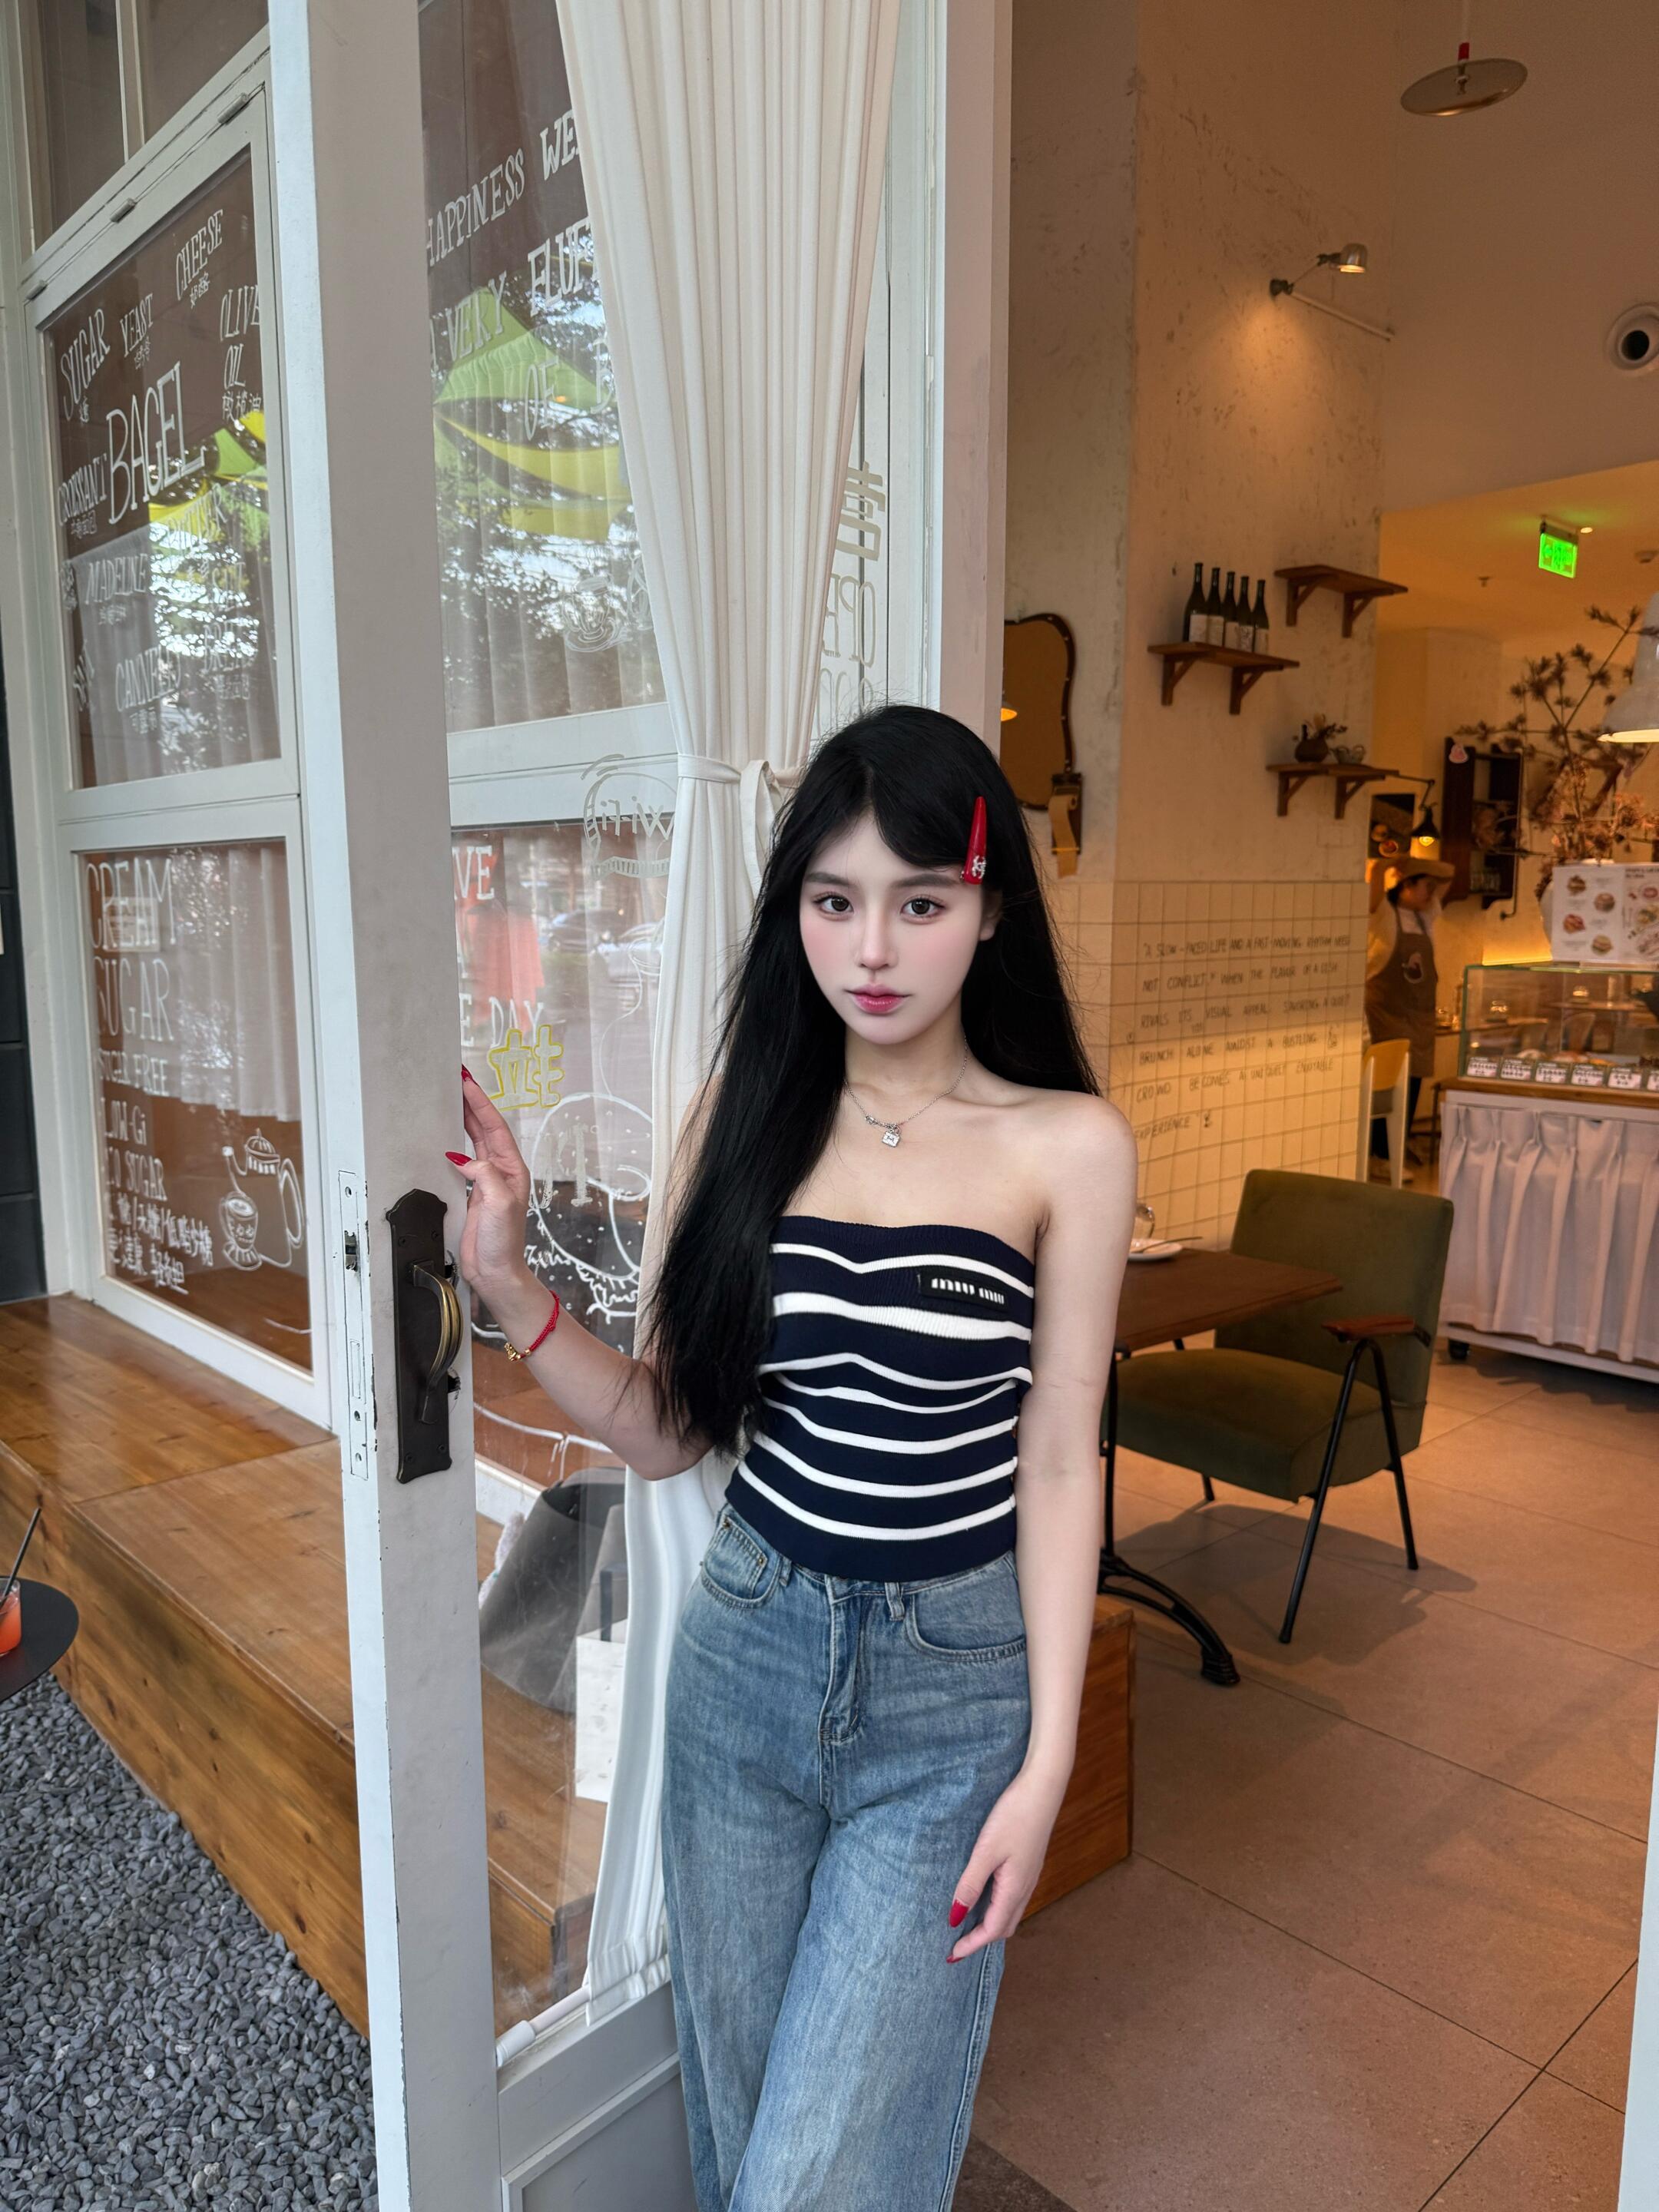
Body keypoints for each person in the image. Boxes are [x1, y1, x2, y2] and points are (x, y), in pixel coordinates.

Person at [448, 704, 1136, 2210]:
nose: (872, 949)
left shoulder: (1068, 1146)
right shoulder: (739, 1116)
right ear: (794, 912)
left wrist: (1050, 1762)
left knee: (817, 2180)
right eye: (835, 901)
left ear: (991, 911)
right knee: (744, 2132)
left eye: (921, 903)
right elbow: (669, 1430)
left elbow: (1061, 1458)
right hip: (744, 1662)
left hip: (953, 1699)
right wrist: (508, 1285)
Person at [1364, 851, 1455, 1169]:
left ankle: (1396, 1148)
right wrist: (1387, 866)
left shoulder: (1425, 917)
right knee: (1385, 1087)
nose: (1432, 893)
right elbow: (1373, 892)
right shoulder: (1384, 913)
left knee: (1412, 1084)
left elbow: (1449, 872)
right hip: (1386, 1014)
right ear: (1405, 886)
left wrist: (1418, 865)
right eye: (1425, 886)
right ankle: (1378, 1153)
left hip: (1419, 1015)